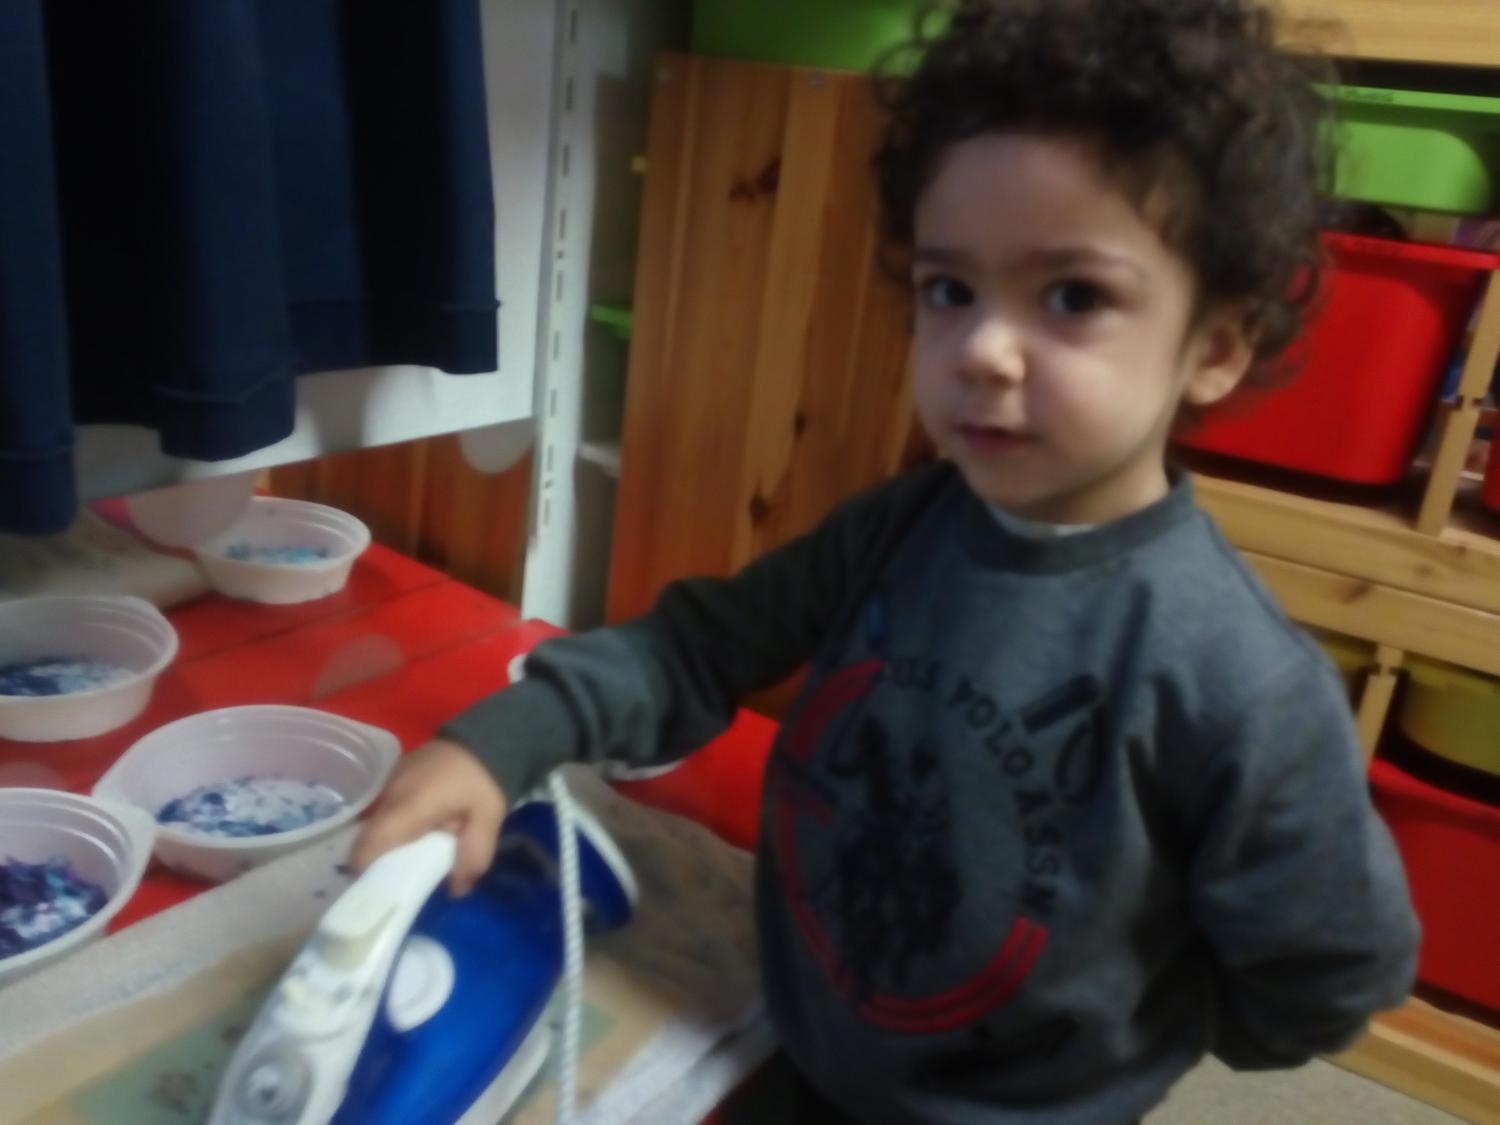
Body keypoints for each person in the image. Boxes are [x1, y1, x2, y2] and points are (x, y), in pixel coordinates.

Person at [352, 1, 1421, 1120]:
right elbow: (694, 649)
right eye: (949, 290)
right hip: (796, 1045)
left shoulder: (1240, 678)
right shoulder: (901, 527)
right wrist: (505, 740)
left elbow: (1332, 968)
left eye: (1073, 296)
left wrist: (1139, 1023)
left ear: (1216, 346)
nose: (983, 350)